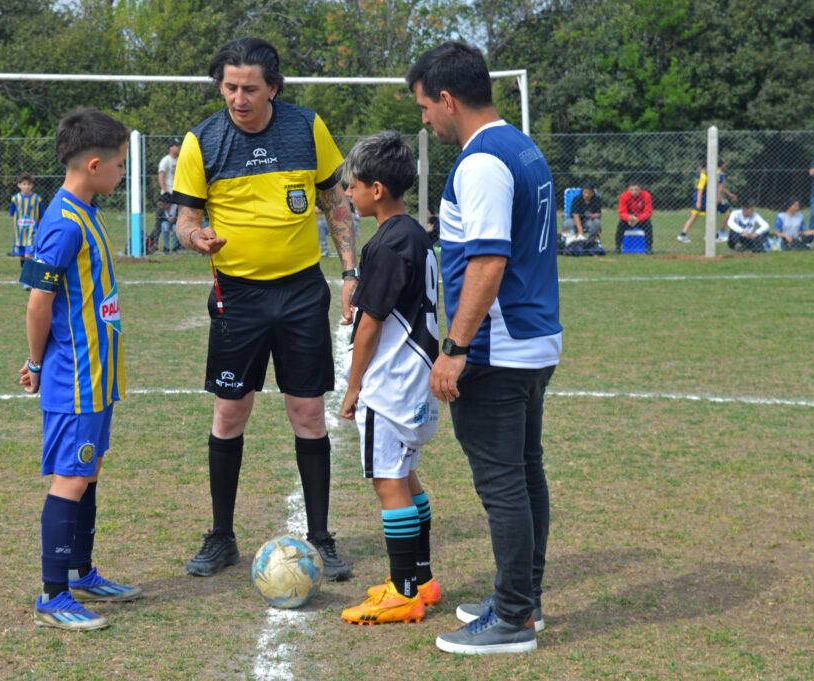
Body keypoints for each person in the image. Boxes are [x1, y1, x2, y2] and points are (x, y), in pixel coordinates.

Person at [170, 37, 358, 582]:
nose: (238, 98)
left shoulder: (307, 128)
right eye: (229, 87)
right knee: (230, 412)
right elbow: (186, 219)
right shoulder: (200, 141)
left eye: (250, 88)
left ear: (273, 87)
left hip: (301, 293)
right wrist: (193, 237)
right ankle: (221, 535)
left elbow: (336, 204)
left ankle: (321, 536)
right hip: (238, 297)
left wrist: (350, 272)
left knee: (306, 413)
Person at [407, 41, 562, 655]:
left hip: (499, 348)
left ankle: (515, 618)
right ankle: (523, 597)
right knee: (525, 474)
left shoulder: (481, 161)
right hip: (534, 340)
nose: (425, 119)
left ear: (447, 100)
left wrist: (454, 347)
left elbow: (489, 261)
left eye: (424, 107)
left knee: (503, 483)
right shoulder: (523, 146)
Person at [18, 108, 142, 631]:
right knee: (70, 478)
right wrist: (35, 361)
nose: (121, 173)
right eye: (118, 165)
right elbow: (37, 302)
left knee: (86, 472)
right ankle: (53, 594)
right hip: (75, 376)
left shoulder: (85, 210)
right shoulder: (64, 223)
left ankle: (82, 570)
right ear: (93, 165)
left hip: (98, 375)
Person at [337, 131, 440, 626]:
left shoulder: (387, 242)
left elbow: (372, 323)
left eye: (351, 187)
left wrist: (354, 387)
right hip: (416, 381)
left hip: (392, 384)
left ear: (376, 189)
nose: (347, 195)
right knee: (408, 475)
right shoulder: (415, 233)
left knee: (388, 482)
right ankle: (421, 579)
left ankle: (402, 592)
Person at [678, 158, 732, 243]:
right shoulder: (703, 176)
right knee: (710, 216)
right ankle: (715, 235)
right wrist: (699, 201)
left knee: (694, 216)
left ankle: (683, 234)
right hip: (702, 199)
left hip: (698, 198)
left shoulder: (700, 174)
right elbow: (700, 189)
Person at [9, 172, 43, 271]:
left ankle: (27, 281)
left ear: (32, 185)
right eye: (24, 184)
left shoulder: (37, 199)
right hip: (19, 233)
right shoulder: (15, 199)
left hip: (32, 232)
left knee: (29, 255)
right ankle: (25, 273)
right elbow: (12, 213)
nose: (26, 187)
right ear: (19, 185)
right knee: (22, 256)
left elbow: (41, 216)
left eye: (28, 184)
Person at [153, 139, 181, 254]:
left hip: (177, 193)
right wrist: (164, 191)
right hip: (167, 195)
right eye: (176, 146)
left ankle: (177, 246)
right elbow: (161, 176)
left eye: (179, 145)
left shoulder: (180, 160)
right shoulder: (166, 160)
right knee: (160, 221)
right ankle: (155, 243)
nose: (179, 148)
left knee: (178, 219)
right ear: (171, 147)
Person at [614, 181, 654, 254]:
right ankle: (617, 248)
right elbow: (622, 212)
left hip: (641, 219)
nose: (634, 192)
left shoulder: (646, 195)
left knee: (648, 225)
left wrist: (638, 219)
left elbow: (648, 212)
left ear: (640, 189)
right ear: (628, 190)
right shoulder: (624, 195)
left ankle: (649, 248)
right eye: (631, 190)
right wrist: (628, 218)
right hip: (629, 219)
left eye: (636, 190)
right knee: (620, 225)